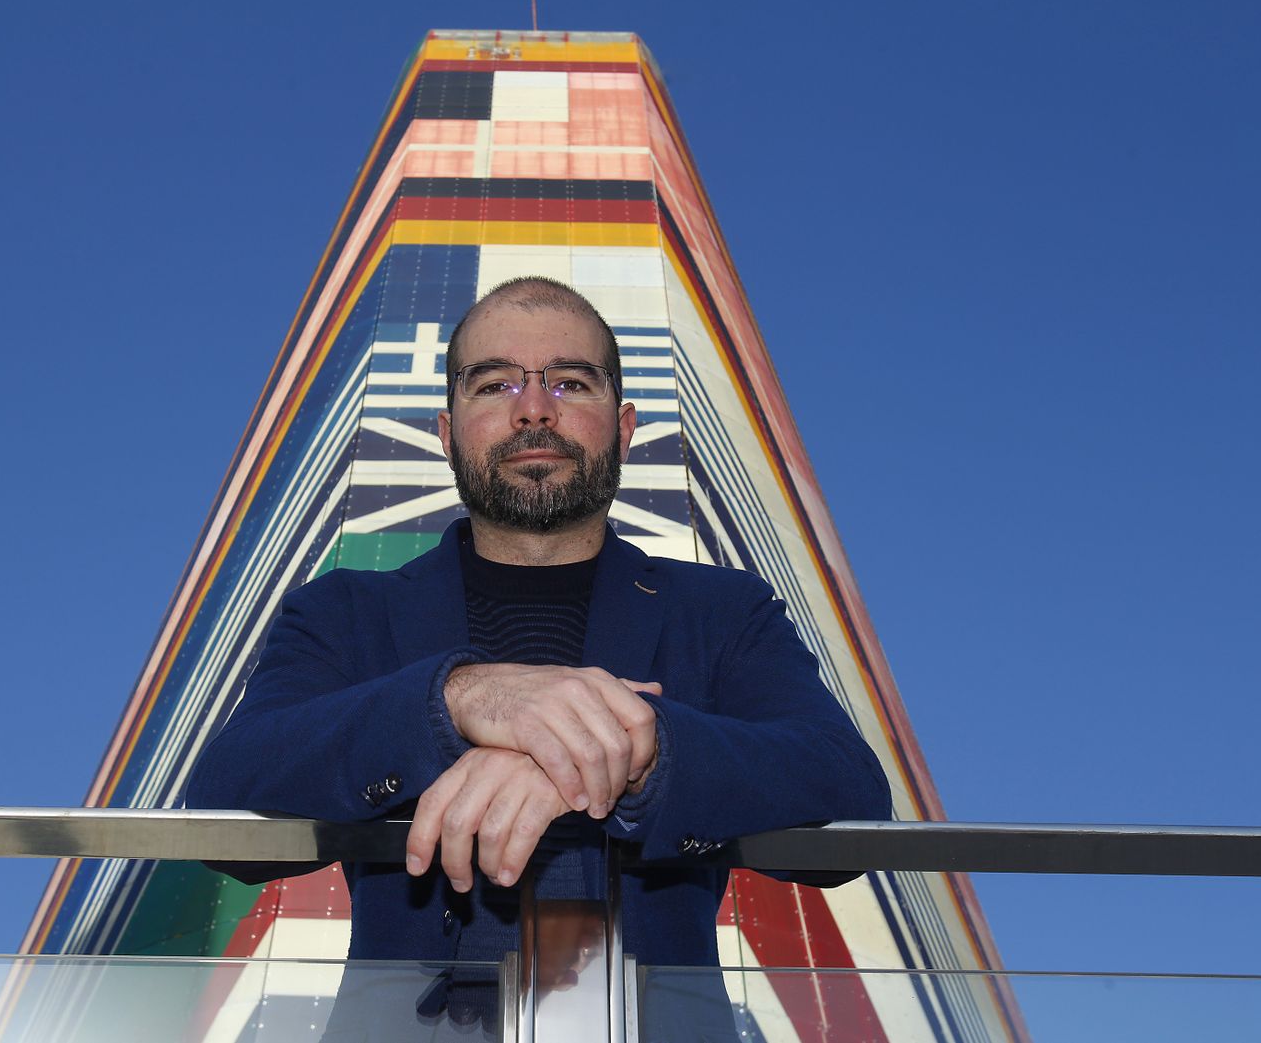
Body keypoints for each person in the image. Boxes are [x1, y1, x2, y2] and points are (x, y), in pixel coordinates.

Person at [187, 276, 891, 1037]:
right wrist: (458, 699)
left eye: (570, 381)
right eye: (494, 383)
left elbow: (848, 791)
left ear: (623, 430)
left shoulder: (725, 611)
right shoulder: (342, 610)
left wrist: (635, 745)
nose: (534, 407)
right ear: (447, 431)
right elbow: (226, 798)